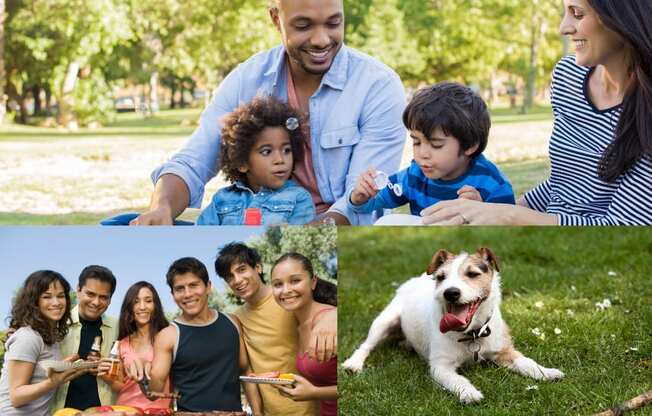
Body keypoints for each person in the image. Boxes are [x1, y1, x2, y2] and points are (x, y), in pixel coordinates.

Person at [131, 0, 406, 226]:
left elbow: (359, 202)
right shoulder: (247, 80)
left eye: (334, 23)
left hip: (339, 236)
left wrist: (301, 236)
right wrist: (161, 207)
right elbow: (193, 162)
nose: (322, 40)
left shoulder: (378, 86)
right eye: (303, 25)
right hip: (259, 227)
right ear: (276, 19)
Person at [421, 0, 652, 226]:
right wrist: (490, 212)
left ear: (621, 17)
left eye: (577, 14)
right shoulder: (568, 76)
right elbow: (566, 184)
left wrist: (509, 217)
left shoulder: (647, 108)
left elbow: (627, 225)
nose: (564, 28)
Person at [347, 82, 515, 221]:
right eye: (416, 142)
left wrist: (481, 211)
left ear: (470, 145)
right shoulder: (414, 175)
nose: (422, 154)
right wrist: (360, 197)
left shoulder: (493, 184)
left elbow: (509, 226)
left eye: (436, 144)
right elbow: (371, 204)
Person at [125, 257, 262, 414]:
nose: (187, 294)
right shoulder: (168, 336)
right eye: (180, 289)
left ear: (208, 287)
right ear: (173, 294)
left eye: (193, 285)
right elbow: (153, 393)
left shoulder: (233, 323)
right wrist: (143, 377)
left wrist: (258, 413)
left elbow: (245, 371)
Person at [215, 242, 336, 416]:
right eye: (229, 277)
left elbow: (321, 308)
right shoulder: (238, 318)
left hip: (311, 407)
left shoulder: (288, 298)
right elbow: (247, 370)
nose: (237, 280)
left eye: (241, 270)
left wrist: (331, 316)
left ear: (258, 267)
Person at [196, 96, 315, 225]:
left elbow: (298, 241)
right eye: (266, 152)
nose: (280, 160)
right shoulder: (222, 200)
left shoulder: (299, 199)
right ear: (242, 163)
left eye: (286, 150)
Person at [0, 270, 85, 416]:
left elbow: (39, 374)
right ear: (34, 302)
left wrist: (62, 368)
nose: (56, 302)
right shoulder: (28, 337)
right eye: (47, 296)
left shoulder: (49, 337)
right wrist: (54, 382)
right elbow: (16, 396)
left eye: (60, 296)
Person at [270, 253, 337, 416]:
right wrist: (279, 378)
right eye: (278, 284)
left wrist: (314, 393)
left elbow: (357, 384)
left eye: (295, 281)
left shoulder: (330, 323)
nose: (286, 290)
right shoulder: (298, 326)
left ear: (313, 282)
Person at [52, 265, 119, 411]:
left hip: (106, 412)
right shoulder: (55, 324)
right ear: (78, 290)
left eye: (103, 297)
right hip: (61, 411)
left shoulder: (119, 327)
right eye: (90, 294)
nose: (96, 302)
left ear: (110, 299)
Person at [100, 281, 171, 409]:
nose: (142, 307)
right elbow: (122, 386)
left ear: (156, 306)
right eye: (136, 302)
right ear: (130, 308)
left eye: (148, 301)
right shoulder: (121, 344)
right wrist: (105, 377)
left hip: (159, 410)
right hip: (126, 409)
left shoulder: (168, 338)